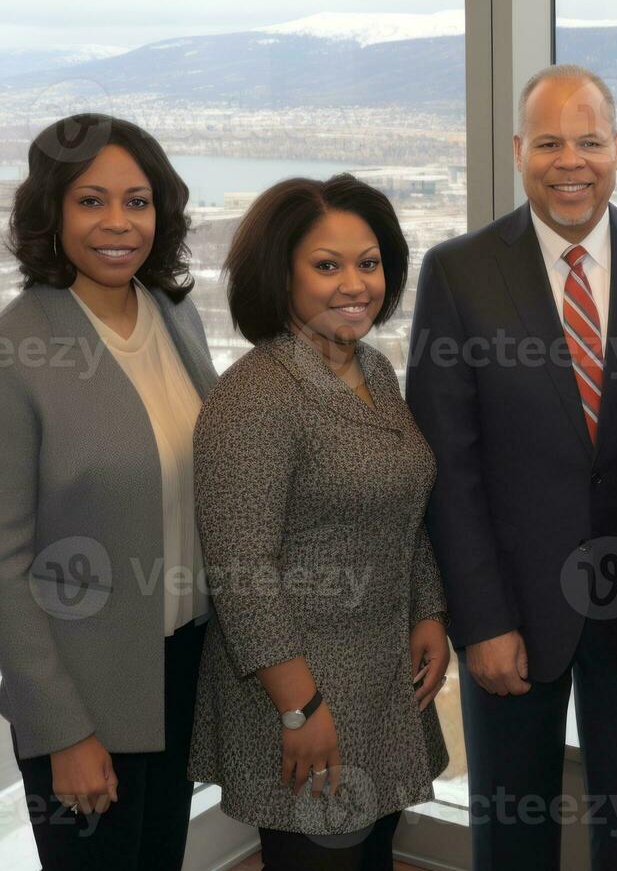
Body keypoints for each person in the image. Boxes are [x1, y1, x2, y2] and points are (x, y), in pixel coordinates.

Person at [406, 64, 617, 870]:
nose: (569, 161)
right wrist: (481, 619)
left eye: (588, 141)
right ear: (518, 151)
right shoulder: (458, 271)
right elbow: (449, 462)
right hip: (509, 611)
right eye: (549, 142)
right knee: (510, 833)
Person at [0, 114, 216, 869]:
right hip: (83, 697)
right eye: (91, 201)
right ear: (51, 213)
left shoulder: (175, 316)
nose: (117, 224)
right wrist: (63, 730)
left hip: (181, 674)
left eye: (137, 201)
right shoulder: (5, 353)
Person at [188, 174, 449, 871]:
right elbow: (240, 572)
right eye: (326, 265)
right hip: (301, 691)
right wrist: (299, 709)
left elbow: (402, 503)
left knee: (369, 857)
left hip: (379, 682)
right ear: (282, 274)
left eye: (368, 263)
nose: (354, 284)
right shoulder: (256, 396)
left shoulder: (373, 369)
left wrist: (429, 609)